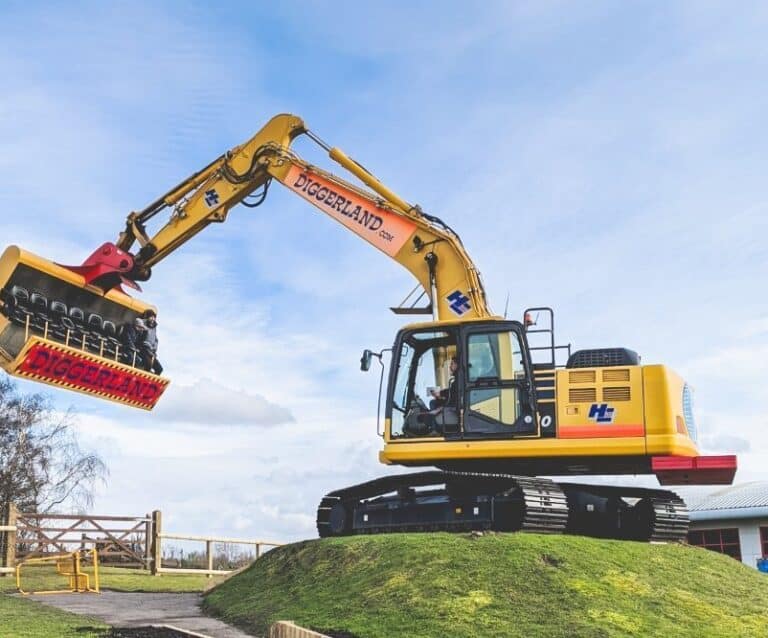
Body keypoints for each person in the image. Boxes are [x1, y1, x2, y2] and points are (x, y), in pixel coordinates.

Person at [139, 309, 163, 375]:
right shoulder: (143, 324)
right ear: (148, 317)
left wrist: (154, 348)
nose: (153, 319)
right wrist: (145, 344)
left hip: (151, 351)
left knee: (159, 368)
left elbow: (156, 339)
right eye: (151, 317)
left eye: (154, 317)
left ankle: (152, 382)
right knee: (148, 364)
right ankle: (143, 378)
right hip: (143, 349)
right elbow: (140, 336)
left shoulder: (154, 328)